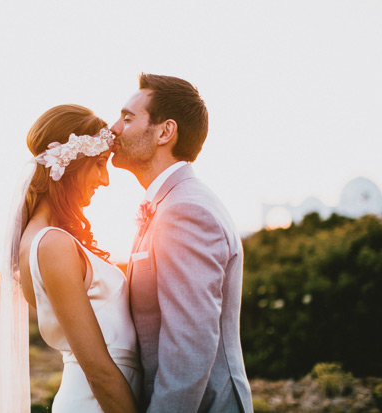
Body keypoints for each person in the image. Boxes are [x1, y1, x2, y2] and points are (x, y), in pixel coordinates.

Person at [110, 74, 253, 412]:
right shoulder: (171, 203)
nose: (114, 128)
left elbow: (188, 348)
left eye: (127, 118)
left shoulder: (185, 211)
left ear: (165, 132)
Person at [0, 104, 141, 412]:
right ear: (69, 165)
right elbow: (97, 368)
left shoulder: (41, 239)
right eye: (99, 164)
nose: (105, 179)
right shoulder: (52, 244)